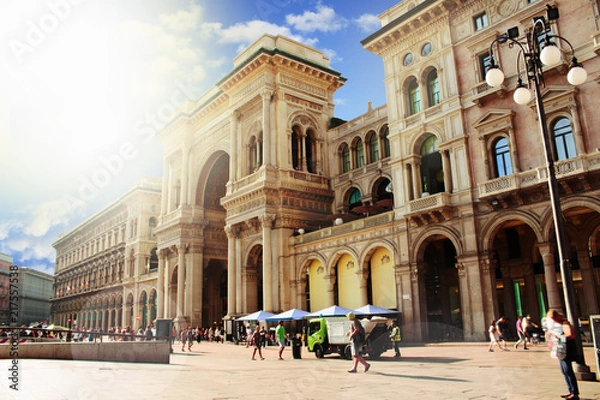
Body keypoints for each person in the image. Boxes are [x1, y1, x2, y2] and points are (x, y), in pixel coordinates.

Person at [546, 310, 579, 400]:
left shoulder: (564, 324)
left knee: (568, 370)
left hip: (567, 348)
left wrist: (558, 336)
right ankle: (570, 390)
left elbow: (570, 335)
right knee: (564, 371)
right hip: (561, 348)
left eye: (553, 319)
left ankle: (574, 392)